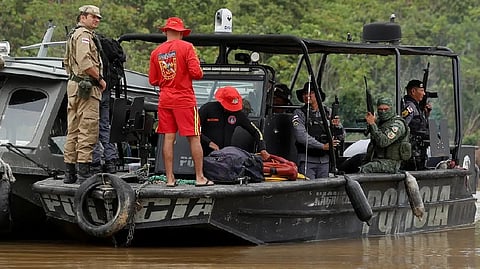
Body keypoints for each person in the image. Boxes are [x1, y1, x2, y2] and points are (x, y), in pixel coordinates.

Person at [149, 17, 213, 187]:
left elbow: (153, 80)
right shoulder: (187, 47)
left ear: (166, 31)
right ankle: (200, 177)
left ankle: (170, 179)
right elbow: (197, 73)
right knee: (194, 137)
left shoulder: (156, 52)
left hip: (165, 100)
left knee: (168, 138)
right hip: (184, 99)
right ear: (181, 33)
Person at [63, 5, 106, 184]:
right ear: (83, 17)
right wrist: (100, 78)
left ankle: (69, 173)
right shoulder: (84, 36)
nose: (96, 20)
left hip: (74, 85)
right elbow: (85, 62)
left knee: (73, 129)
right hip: (86, 87)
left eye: (98, 18)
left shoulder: (74, 34)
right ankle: (83, 174)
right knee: (87, 128)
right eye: (93, 17)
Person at [199, 86, 271, 160]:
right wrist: (208, 143)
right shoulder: (207, 109)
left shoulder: (238, 114)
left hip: (225, 156)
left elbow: (255, 131)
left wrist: (262, 148)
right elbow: (192, 128)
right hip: (204, 154)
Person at [292, 82, 344, 179]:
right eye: (304, 93)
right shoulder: (299, 113)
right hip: (307, 160)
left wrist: (336, 127)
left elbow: (342, 135)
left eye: (310, 93)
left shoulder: (328, 112)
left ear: (318, 95)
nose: (307, 96)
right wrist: (322, 146)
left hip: (325, 161)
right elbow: (301, 136)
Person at [360, 97, 410, 173]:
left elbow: (383, 142)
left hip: (391, 163)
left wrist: (372, 124)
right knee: (352, 162)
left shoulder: (397, 124)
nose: (383, 112)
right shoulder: (380, 122)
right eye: (380, 109)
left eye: (386, 109)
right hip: (376, 159)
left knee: (367, 168)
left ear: (391, 108)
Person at [401, 79, 431, 170]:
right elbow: (403, 126)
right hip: (413, 150)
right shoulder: (409, 107)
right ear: (413, 91)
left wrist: (426, 114)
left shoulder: (416, 106)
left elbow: (420, 124)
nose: (424, 94)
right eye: (421, 91)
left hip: (419, 151)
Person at [91, 89, 118, 174]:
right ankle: (111, 162)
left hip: (93, 90)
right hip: (106, 91)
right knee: (105, 127)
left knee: (92, 127)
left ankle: (96, 164)